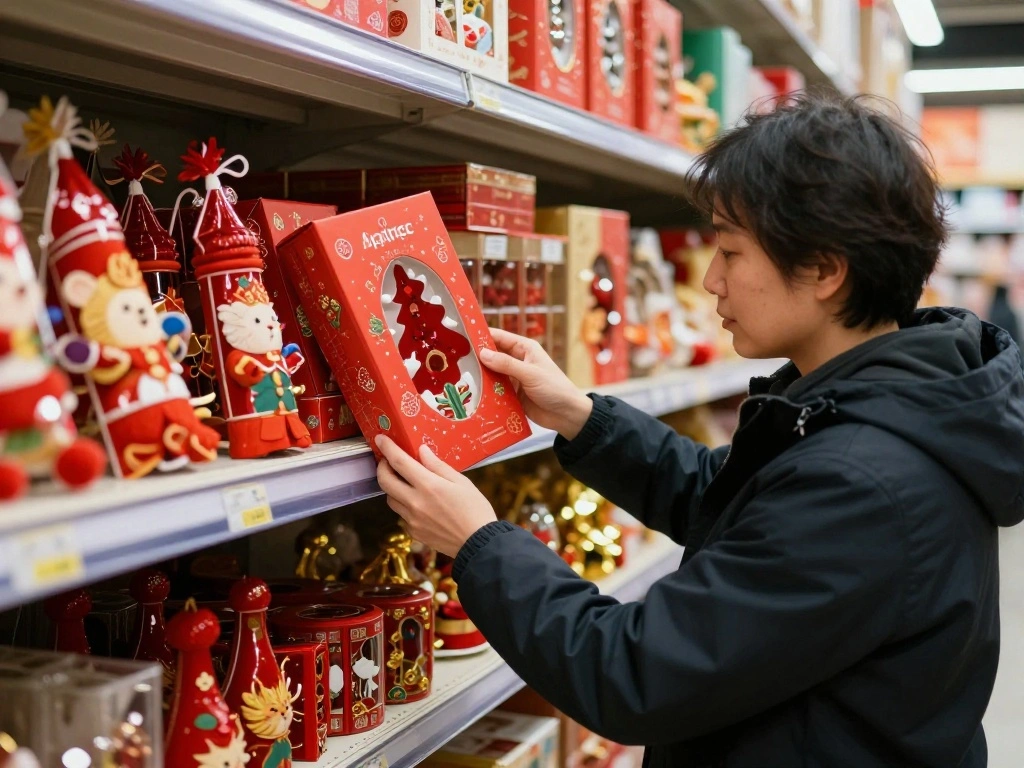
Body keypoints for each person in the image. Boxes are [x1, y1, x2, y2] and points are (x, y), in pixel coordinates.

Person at [373, 93, 1024, 767]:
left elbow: (629, 673)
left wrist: (478, 542)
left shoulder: (863, 485)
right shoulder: (890, 401)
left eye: (731, 251)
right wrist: (582, 417)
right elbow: (740, 506)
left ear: (827, 270)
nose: (711, 280)